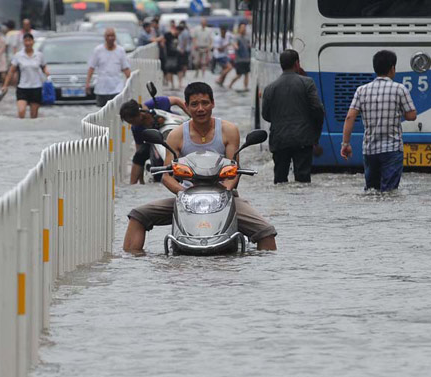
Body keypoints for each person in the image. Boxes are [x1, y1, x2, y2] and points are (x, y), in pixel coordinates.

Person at [123, 82, 277, 252]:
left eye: (205, 103)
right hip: (187, 199)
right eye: (194, 104)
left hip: (225, 198)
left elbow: (235, 170)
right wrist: (182, 194)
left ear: (213, 103)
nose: (200, 109)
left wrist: (225, 192)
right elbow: (166, 175)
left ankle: (267, 271)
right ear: (187, 107)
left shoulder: (229, 130)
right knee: (138, 216)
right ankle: (132, 260)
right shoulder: (176, 135)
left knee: (266, 232)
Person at [341, 50, 417, 192]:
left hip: (370, 150)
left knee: (372, 191)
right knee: (389, 192)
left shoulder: (361, 90)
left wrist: (345, 144)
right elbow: (411, 115)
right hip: (392, 150)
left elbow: (350, 117)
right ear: (392, 68)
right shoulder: (400, 89)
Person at [262, 49, 324, 184]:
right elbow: (318, 109)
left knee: (280, 180)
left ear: (281, 65)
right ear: (297, 63)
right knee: (302, 181)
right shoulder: (307, 83)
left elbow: (265, 115)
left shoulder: (270, 88)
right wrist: (315, 136)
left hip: (279, 140)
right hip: (303, 140)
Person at [119, 96, 190, 184]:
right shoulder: (136, 128)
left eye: (132, 121)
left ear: (139, 114)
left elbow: (176, 100)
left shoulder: (156, 103)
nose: (131, 124)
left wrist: (191, 115)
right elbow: (139, 148)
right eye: (129, 122)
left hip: (175, 128)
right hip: (155, 143)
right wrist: (141, 181)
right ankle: (132, 184)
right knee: (139, 155)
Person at [1, 33, 50, 119]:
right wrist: (5, 85)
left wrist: (46, 71)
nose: (28, 43)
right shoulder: (18, 55)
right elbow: (11, 71)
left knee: (34, 116)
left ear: (33, 42)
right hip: (22, 87)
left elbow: (44, 66)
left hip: (36, 88)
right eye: (26, 41)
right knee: (21, 111)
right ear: (23, 42)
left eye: (29, 41)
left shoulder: (39, 55)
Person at [85, 28, 131, 107]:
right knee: (101, 111)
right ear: (105, 37)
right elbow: (91, 67)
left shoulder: (120, 50)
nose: (110, 38)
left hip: (117, 88)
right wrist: (87, 83)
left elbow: (125, 68)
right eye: (108, 36)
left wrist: (130, 82)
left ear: (115, 37)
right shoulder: (98, 50)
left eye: (112, 35)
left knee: (116, 110)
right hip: (102, 88)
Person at [228, 22, 251, 90]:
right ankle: (230, 85)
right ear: (239, 29)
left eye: (244, 28)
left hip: (246, 59)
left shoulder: (247, 37)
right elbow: (234, 44)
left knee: (246, 74)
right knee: (239, 75)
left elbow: (248, 46)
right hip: (239, 60)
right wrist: (235, 46)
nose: (244, 29)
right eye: (242, 28)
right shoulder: (237, 37)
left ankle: (245, 87)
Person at [162, 25, 181, 90]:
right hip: (168, 55)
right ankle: (170, 83)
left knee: (172, 70)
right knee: (169, 69)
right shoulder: (168, 35)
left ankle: (172, 84)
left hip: (174, 55)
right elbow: (163, 42)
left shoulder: (176, 36)